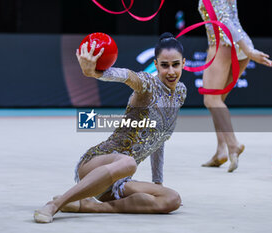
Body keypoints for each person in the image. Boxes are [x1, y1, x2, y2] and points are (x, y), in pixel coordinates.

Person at [34, 32, 187, 223]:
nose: (171, 71)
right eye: (164, 65)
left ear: (183, 63)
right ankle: (54, 205)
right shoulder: (147, 84)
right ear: (156, 64)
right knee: (129, 162)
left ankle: (91, 206)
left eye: (175, 64)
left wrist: (158, 184)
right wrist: (95, 73)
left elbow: (159, 140)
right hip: (97, 163)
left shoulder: (180, 92)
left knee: (172, 199)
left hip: (120, 180)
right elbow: (127, 76)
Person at [198, 0, 272, 172]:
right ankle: (221, 152)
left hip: (224, 43)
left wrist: (248, 51)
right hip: (239, 42)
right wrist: (247, 49)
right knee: (218, 101)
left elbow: (225, 20)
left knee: (211, 100)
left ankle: (232, 145)